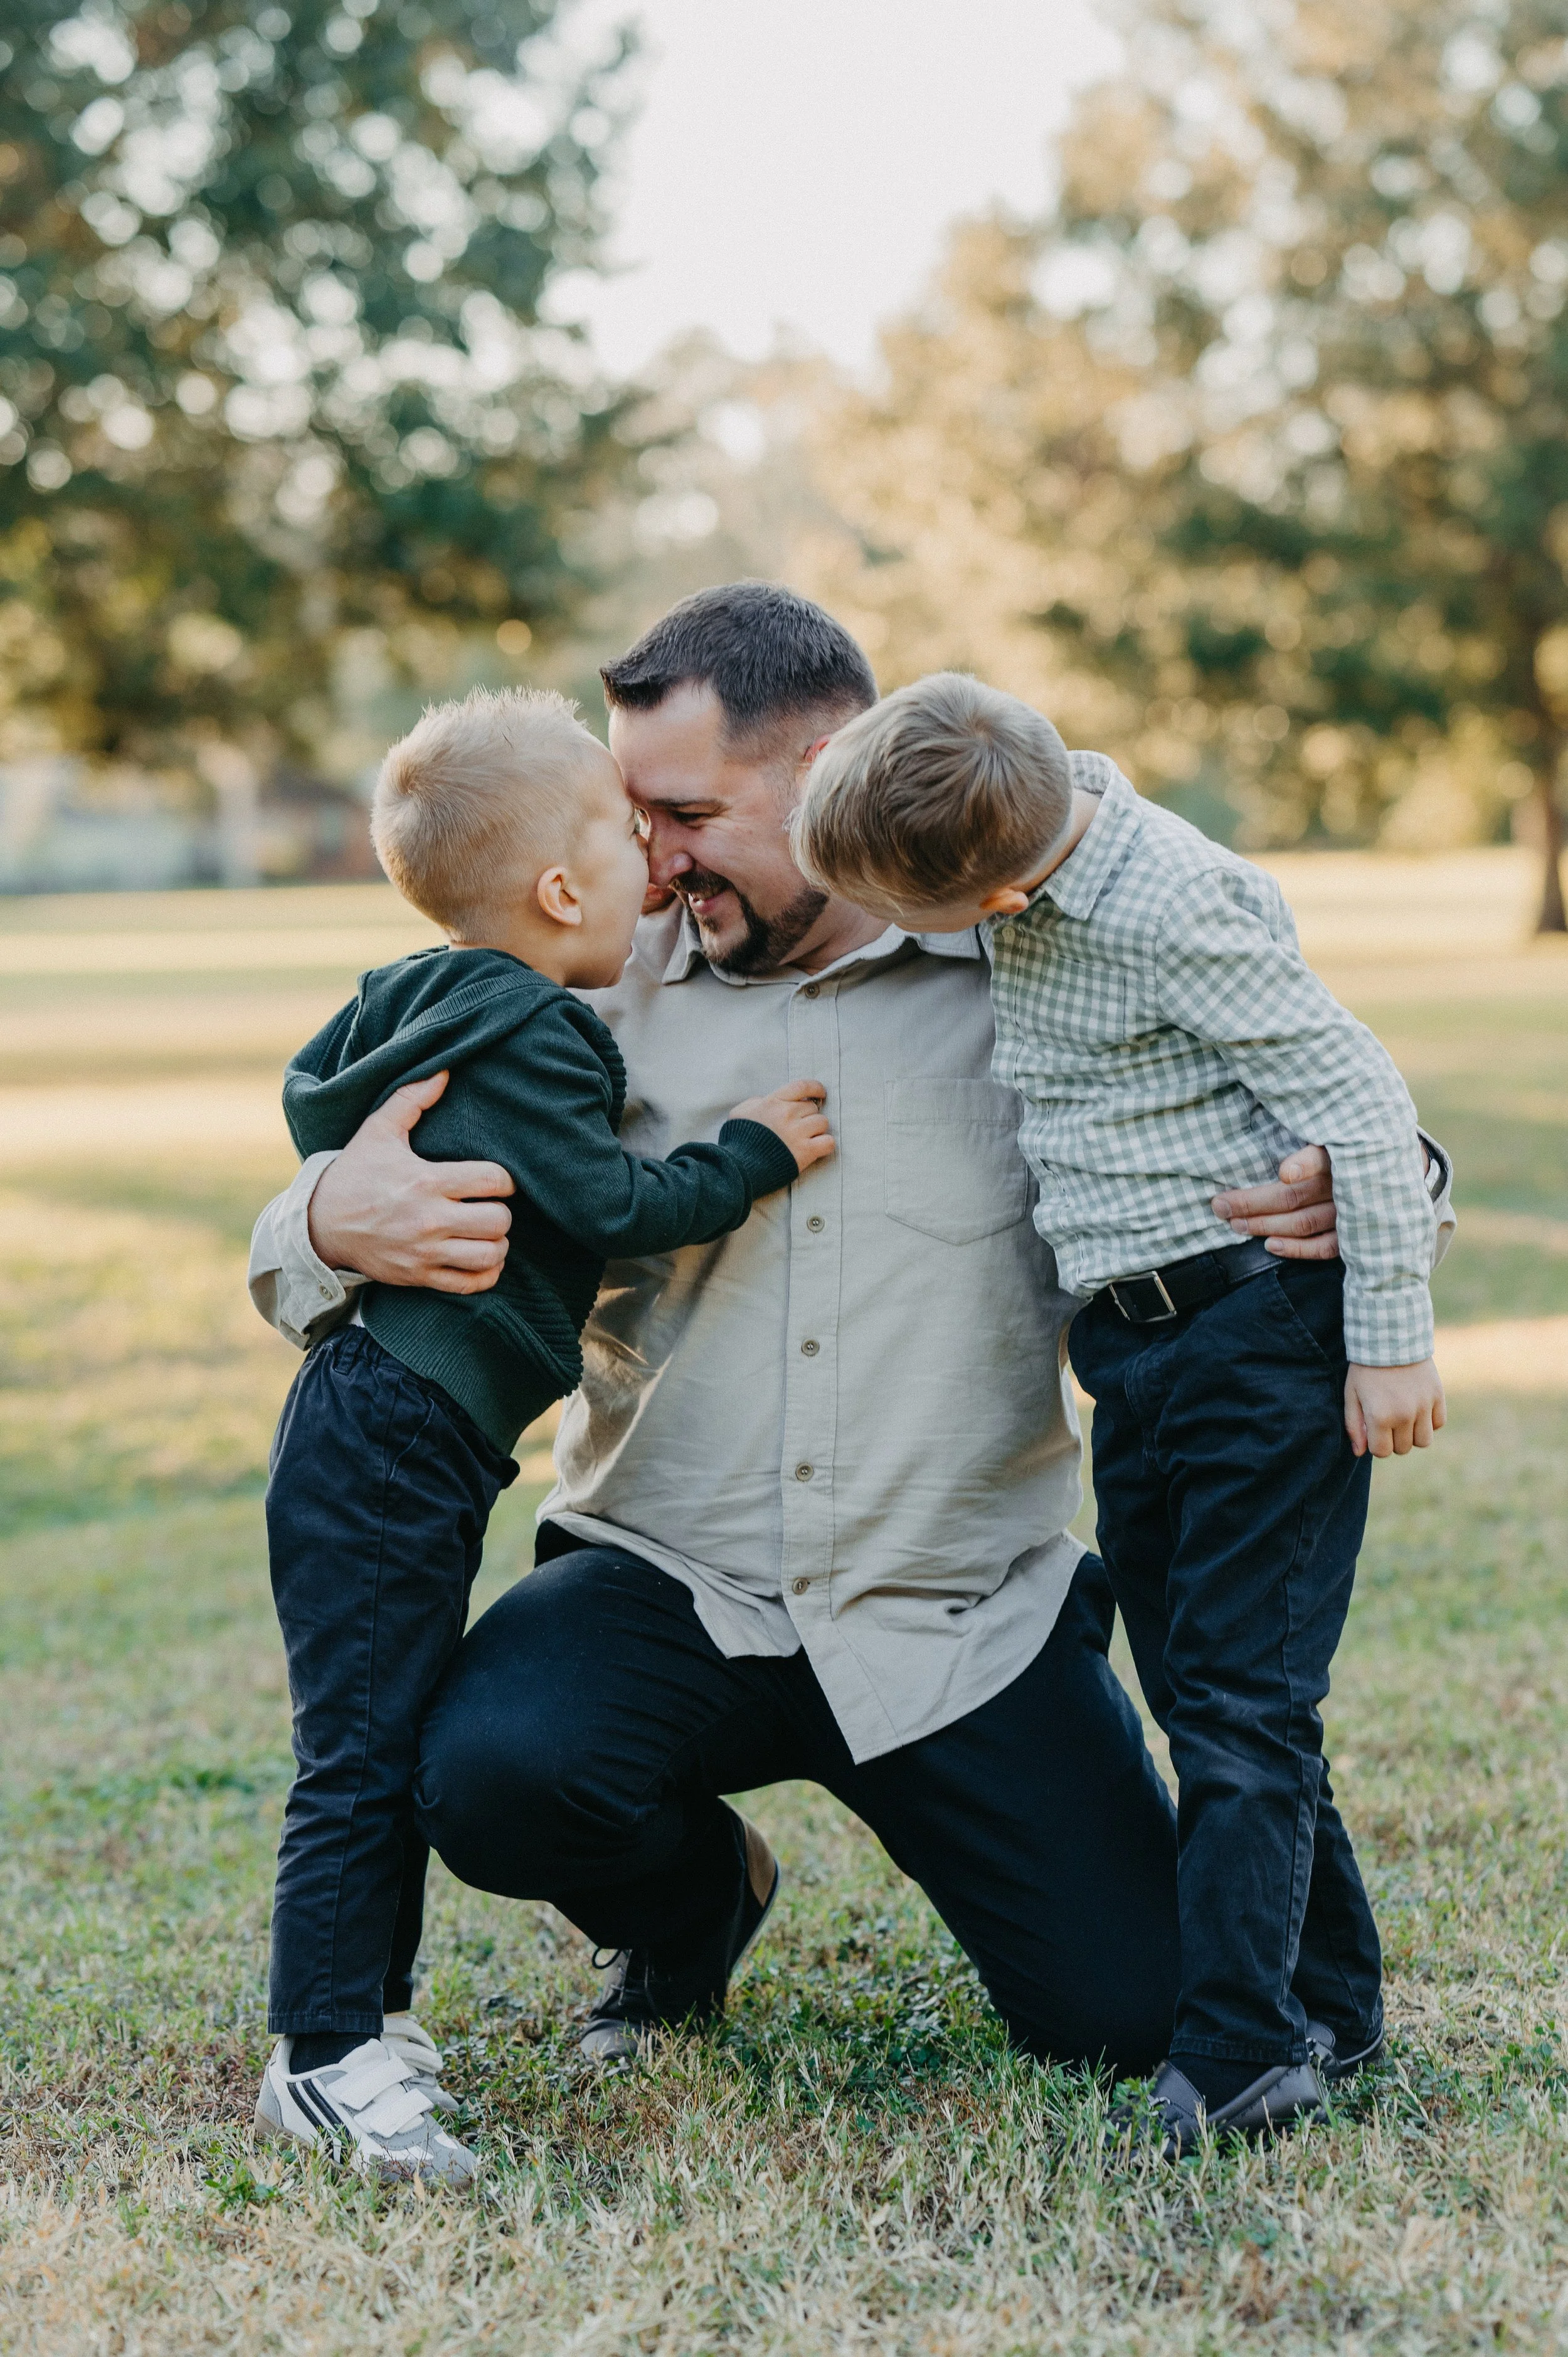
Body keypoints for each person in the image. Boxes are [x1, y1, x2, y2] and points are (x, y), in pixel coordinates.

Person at [248, 584, 1454, 2097]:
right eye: (633, 818)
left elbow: (1319, 1086)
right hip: (667, 1580)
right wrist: (318, 1222)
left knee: (1129, 2011)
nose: (654, 857)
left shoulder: (1038, 962)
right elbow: (337, 1157)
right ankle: (696, 1905)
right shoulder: (573, 981)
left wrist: (1387, 1184)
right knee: (495, 1779)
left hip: (951, 1617)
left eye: (684, 812)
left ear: (825, 770)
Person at [790, 670, 1447, 2153]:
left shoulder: (1173, 906)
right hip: (1135, 1350)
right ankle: (1328, 1999)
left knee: (1240, 1706)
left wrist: (1390, 1340)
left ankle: (1238, 2054)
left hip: (1257, 1336)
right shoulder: (992, 802)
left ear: (996, 889)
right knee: (1207, 1685)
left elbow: (1356, 1089)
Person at [254, 684, 829, 2182]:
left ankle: (364, 2029)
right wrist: (753, 1152)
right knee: (363, 1751)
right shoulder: (542, 1027)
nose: (659, 865)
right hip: (400, 1434)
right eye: (631, 842)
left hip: (379, 1421)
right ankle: (327, 2054)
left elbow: (315, 1096)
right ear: (564, 890)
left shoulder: (430, 989)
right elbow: (617, 1208)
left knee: (371, 1735)